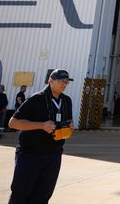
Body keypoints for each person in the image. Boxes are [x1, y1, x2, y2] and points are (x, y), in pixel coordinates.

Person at [7, 69, 74, 204]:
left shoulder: (66, 101)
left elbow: (66, 121)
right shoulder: (36, 99)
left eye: (66, 82)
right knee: (21, 193)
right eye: (62, 81)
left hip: (53, 155)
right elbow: (13, 123)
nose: (64, 84)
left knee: (43, 195)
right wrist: (42, 125)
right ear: (51, 81)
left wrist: (69, 125)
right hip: (31, 154)